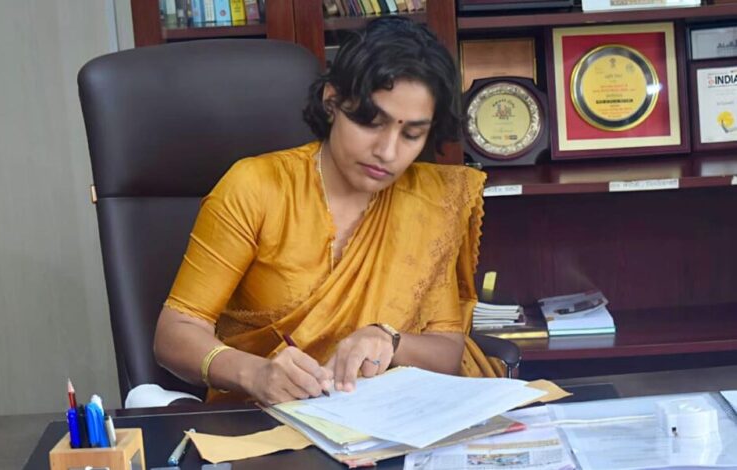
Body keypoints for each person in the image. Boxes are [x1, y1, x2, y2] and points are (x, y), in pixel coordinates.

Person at [153, 16, 502, 406]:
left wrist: (390, 340)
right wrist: (255, 373)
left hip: (383, 417)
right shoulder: (255, 188)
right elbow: (174, 333)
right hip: (265, 416)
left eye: (411, 134)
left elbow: (448, 350)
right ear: (332, 101)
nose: (388, 152)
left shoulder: (432, 202)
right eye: (372, 123)